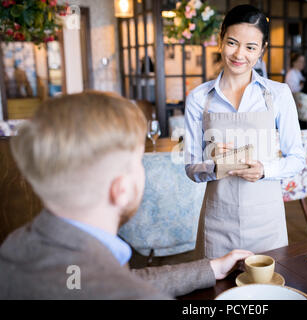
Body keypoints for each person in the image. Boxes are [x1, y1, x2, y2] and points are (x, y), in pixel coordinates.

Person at [0, 91, 253, 299]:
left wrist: (212, 268)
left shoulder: (16, 245)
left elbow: (108, 280)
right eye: (137, 162)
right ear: (120, 189)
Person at [184, 5, 306, 259]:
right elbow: (190, 167)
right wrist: (214, 166)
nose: (240, 54)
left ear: (262, 51)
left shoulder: (278, 94)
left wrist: (264, 170)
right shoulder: (199, 98)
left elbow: (297, 158)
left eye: (251, 47)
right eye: (232, 42)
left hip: (266, 221)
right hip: (218, 220)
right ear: (220, 41)